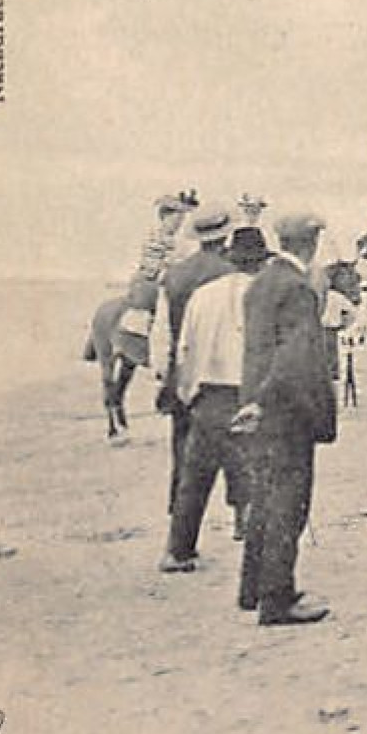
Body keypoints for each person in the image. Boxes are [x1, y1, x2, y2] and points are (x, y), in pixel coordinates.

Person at [234, 214, 337, 627]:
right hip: (285, 411)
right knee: (288, 503)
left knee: (263, 496)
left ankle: (252, 587)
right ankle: (277, 598)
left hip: (255, 408)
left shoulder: (260, 283)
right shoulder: (298, 289)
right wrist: (304, 409)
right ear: (311, 244)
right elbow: (296, 358)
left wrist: (254, 401)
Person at [158, 226, 269, 573]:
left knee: (195, 478)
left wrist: (189, 395)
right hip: (246, 394)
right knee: (254, 473)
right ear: (261, 261)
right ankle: (255, 555)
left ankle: (178, 552)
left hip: (207, 396)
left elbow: (184, 350)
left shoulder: (203, 295)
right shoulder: (264, 293)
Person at [152, 209, 236, 526]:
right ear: (225, 236)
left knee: (184, 447)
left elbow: (162, 331)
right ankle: (240, 513)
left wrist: (163, 375)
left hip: (185, 371)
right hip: (225, 370)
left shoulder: (174, 274)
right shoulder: (232, 272)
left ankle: (179, 514)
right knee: (235, 447)